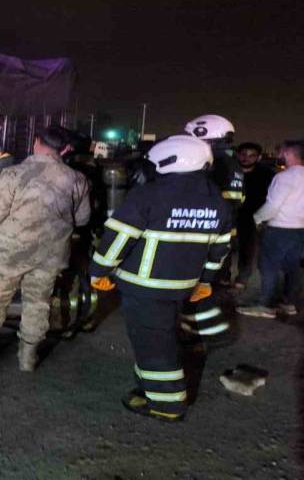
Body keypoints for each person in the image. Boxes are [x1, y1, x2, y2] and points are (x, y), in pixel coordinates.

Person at [89, 135, 232, 422]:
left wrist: (98, 272)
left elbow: (117, 240)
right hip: (182, 287)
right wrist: (205, 281)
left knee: (154, 344)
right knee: (155, 337)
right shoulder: (217, 200)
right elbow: (220, 248)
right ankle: (147, 386)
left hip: (144, 287)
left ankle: (167, 404)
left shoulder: (148, 195)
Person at [0, 126, 91, 372]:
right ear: (64, 149)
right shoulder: (77, 179)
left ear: (36, 142)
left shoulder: (14, 174)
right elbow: (82, 219)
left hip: (11, 250)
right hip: (50, 254)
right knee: (38, 303)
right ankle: (27, 359)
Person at [237, 141, 304, 318]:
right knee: (292, 266)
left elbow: (272, 206)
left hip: (280, 228)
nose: (279, 155)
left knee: (268, 266)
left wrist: (257, 218)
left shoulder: (284, 177)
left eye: (282, 152)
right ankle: (288, 303)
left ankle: (265, 305)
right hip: (300, 228)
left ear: (289, 154)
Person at [180, 114, 242, 340]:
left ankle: (193, 333)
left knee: (197, 286)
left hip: (207, 236)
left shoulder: (213, 163)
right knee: (207, 282)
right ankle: (197, 330)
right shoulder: (230, 161)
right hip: (221, 235)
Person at [232, 142, 275, 289]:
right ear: (238, 154)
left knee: (247, 248)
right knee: (224, 247)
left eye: (251, 155)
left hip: (252, 217)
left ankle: (242, 278)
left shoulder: (267, 174)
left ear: (258, 157)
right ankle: (222, 277)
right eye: (244, 154)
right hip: (228, 214)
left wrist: (263, 217)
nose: (246, 158)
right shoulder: (229, 170)